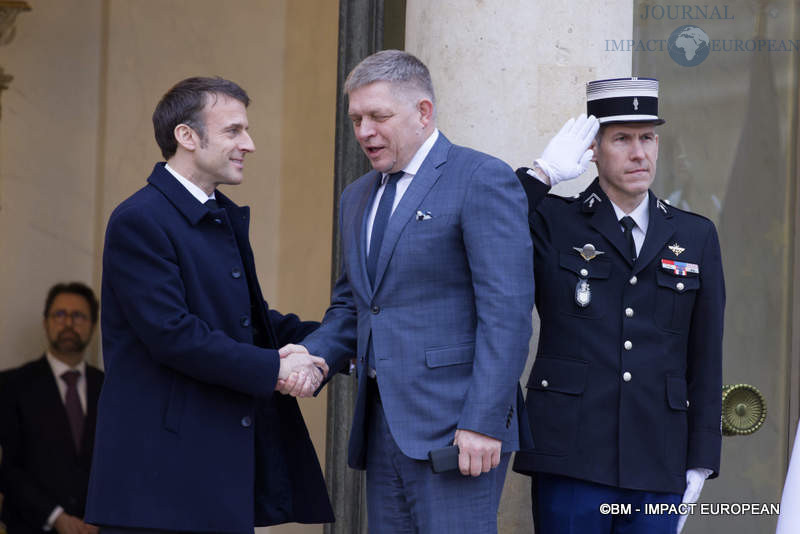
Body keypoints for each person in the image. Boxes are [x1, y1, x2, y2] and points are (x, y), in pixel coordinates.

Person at [280, 50, 534, 533]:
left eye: (378, 116)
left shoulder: (480, 177)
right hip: (383, 429)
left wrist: (483, 421)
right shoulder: (356, 196)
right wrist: (315, 355)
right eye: (356, 118)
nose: (364, 132)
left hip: (458, 432)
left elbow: (507, 314)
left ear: (423, 111)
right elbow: (354, 304)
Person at [83, 77, 333, 533]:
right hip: (157, 489)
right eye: (234, 131)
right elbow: (174, 334)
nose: (249, 144)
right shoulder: (139, 220)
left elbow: (246, 321)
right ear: (187, 136)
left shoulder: (216, 212)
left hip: (211, 479)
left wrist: (333, 340)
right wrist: (275, 368)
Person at [512, 77, 725, 534]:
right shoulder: (554, 220)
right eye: (622, 139)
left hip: (659, 457)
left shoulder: (695, 235)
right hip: (572, 455)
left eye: (647, 138)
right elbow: (488, 231)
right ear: (593, 149)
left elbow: (706, 357)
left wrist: (701, 459)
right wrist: (540, 175)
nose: (639, 153)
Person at [0, 282, 103, 534]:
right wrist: (55, 516)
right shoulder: (11, 385)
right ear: (46, 322)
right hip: (31, 526)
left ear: (93, 325)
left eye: (78, 315)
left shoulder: (109, 390)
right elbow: (7, 467)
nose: (68, 323)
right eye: (59, 314)